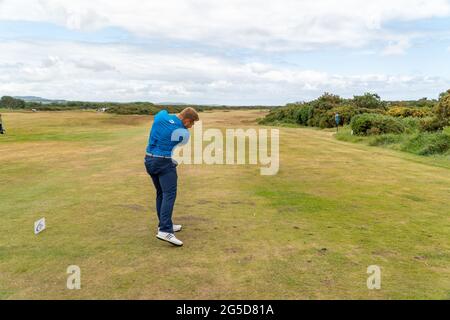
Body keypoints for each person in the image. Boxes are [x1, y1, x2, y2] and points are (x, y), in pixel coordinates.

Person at [144, 107, 199, 246]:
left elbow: (162, 111)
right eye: (191, 123)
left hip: (149, 160)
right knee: (169, 194)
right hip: (163, 163)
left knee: (161, 194)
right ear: (186, 120)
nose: (191, 127)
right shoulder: (183, 133)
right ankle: (165, 230)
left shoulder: (161, 117)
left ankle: (164, 223)